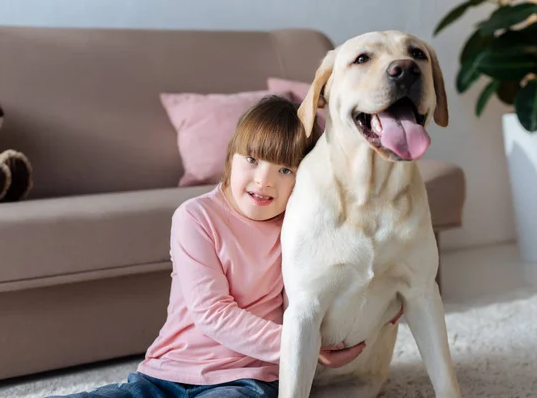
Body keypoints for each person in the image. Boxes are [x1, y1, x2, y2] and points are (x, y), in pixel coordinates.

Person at [50, 95, 365, 398]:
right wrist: (304, 344)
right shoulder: (196, 216)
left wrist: (387, 300)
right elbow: (212, 312)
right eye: (252, 160)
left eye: (285, 170)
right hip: (166, 375)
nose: (264, 180)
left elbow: (349, 272)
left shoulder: (298, 227)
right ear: (231, 157)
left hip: (247, 378)